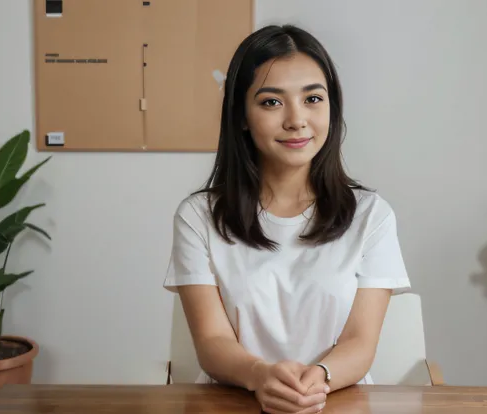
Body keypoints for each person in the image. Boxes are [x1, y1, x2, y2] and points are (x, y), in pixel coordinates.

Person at [163, 24, 411, 414]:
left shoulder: (371, 215)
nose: (297, 120)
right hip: (234, 401)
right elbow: (212, 342)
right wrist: (260, 375)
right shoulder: (199, 216)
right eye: (271, 102)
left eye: (313, 98)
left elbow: (360, 343)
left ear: (332, 107)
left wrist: (319, 377)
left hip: (337, 400)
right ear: (241, 116)